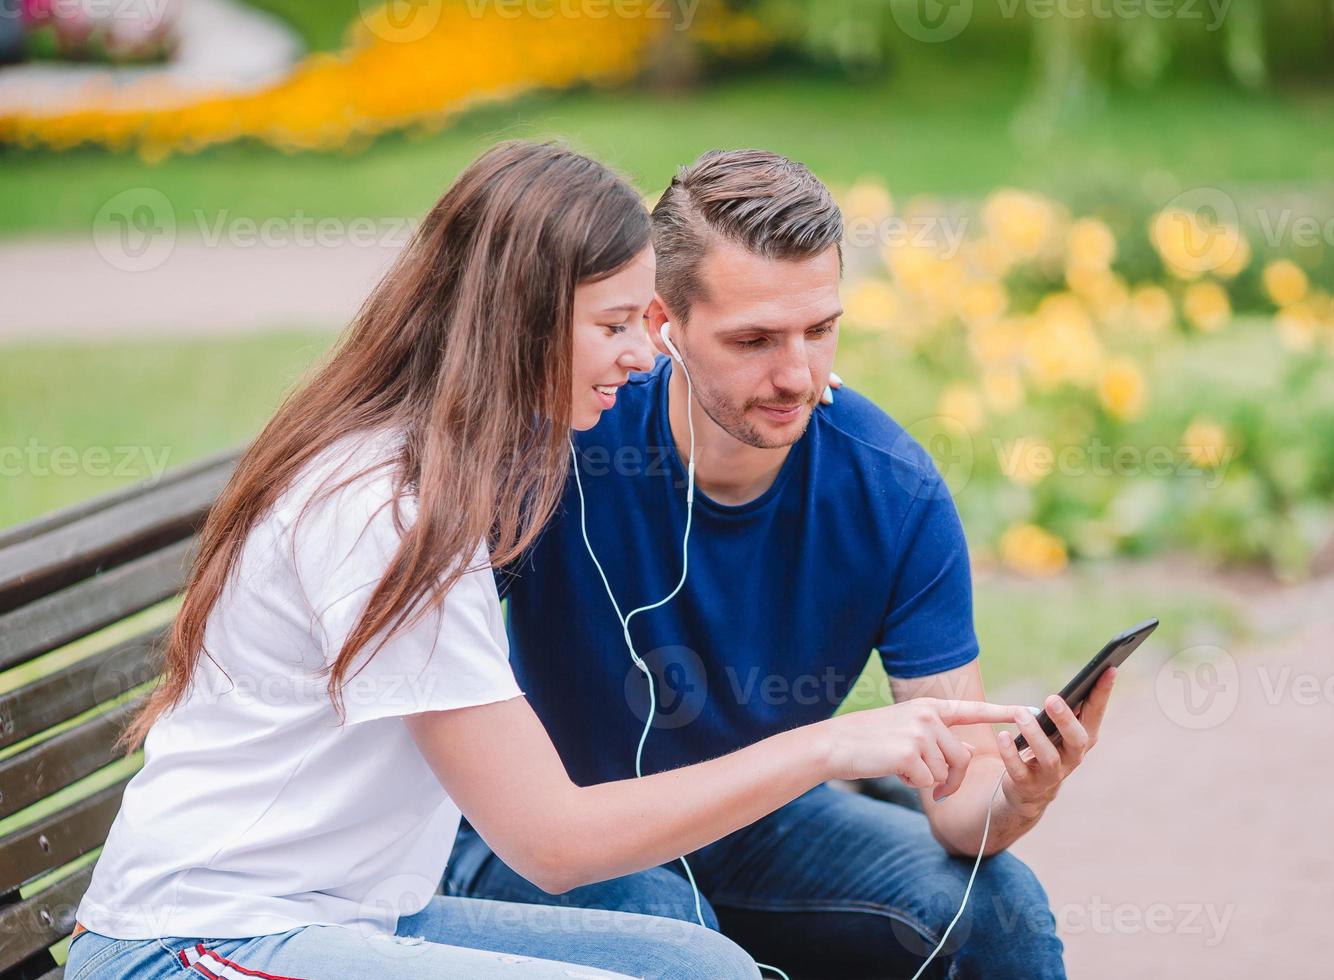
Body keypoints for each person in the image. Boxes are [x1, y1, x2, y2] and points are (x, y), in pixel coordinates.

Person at [65, 141, 1024, 980]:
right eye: (614, 326)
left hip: (351, 913)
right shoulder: (384, 509)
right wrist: (825, 746)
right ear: (517, 324)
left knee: (700, 968)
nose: (643, 358)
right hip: (196, 944)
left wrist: (784, 377)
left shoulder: (455, 464)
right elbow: (553, 845)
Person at [443, 150, 1118, 979]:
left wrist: (1018, 795)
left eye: (819, 330)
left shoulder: (892, 493)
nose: (796, 375)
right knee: (668, 930)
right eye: (755, 340)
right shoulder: (565, 440)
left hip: (759, 822)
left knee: (1001, 909)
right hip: (545, 834)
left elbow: (959, 806)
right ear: (663, 325)